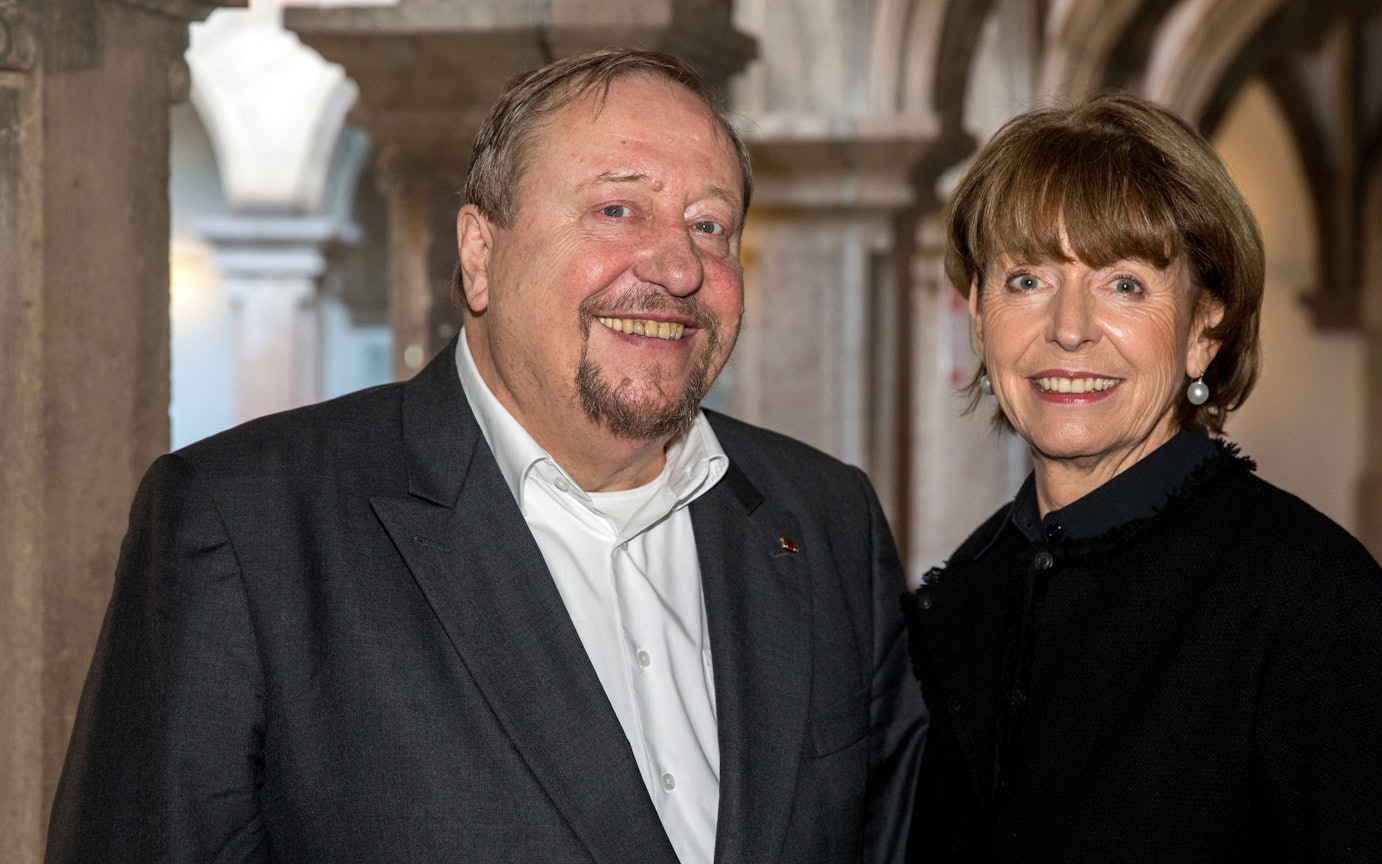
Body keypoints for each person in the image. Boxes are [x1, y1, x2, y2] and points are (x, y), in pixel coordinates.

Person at [47, 49, 924, 864]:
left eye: (709, 224)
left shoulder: (825, 520)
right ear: (479, 253)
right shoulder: (248, 526)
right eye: (617, 210)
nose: (678, 267)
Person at [903, 93, 1382, 861]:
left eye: (1124, 284)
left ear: (1204, 331)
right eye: (1027, 280)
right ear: (978, 318)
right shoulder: (964, 591)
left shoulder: (1313, 607)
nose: (1068, 328)